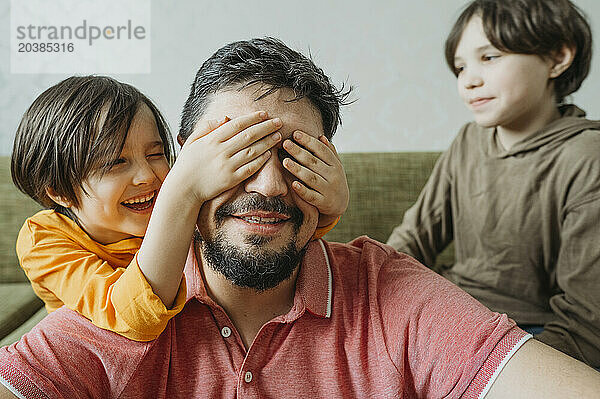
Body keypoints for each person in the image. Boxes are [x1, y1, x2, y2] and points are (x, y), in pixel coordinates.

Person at [1, 37, 599, 399]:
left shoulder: (390, 294)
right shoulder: (105, 291)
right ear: (190, 165)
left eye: (294, 158)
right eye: (237, 152)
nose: (266, 185)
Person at [10, 76, 347, 341]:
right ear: (60, 193)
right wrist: (182, 193)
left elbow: (259, 238)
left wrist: (330, 208)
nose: (149, 176)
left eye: (156, 154)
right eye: (116, 163)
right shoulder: (44, 241)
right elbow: (131, 318)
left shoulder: (171, 212)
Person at [387, 0, 600, 368]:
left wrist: (498, 371)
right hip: (451, 314)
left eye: (490, 57)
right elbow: (412, 240)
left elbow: (585, 320)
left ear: (557, 57)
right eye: (460, 66)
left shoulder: (586, 157)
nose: (468, 79)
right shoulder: (468, 140)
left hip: (531, 336)